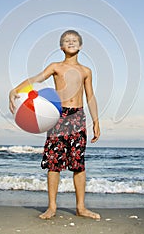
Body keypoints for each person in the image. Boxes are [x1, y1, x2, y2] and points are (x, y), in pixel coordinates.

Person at [9, 30, 101, 220]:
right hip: (58, 117)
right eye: (66, 40)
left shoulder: (86, 71)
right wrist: (15, 89)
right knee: (54, 163)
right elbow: (36, 79)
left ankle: (81, 207)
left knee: (78, 164)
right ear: (61, 46)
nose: (71, 42)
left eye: (74, 40)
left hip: (78, 117)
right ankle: (51, 207)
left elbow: (90, 96)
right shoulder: (56, 67)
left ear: (81, 45)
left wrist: (96, 121)